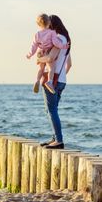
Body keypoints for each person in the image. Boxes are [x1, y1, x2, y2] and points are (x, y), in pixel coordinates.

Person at [39, 14, 72, 149]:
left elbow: (50, 58)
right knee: (53, 110)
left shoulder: (57, 39)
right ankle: (55, 137)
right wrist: (61, 76)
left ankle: (58, 140)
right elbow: (69, 64)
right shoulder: (66, 41)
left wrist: (39, 59)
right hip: (61, 80)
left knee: (51, 110)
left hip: (52, 79)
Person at [26, 14, 69, 94]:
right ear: (49, 23)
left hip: (40, 52)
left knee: (41, 69)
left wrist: (30, 54)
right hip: (48, 52)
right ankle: (49, 82)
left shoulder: (37, 34)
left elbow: (34, 45)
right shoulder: (52, 33)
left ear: (39, 24)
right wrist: (64, 46)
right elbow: (56, 43)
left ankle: (37, 80)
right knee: (51, 68)